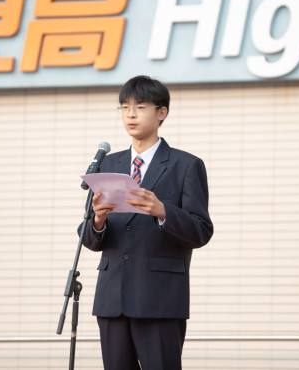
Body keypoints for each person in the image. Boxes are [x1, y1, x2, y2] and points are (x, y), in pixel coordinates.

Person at [80, 75, 214, 369]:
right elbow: (87, 238)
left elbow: (201, 230)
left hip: (160, 299)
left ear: (161, 112)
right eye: (125, 107)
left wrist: (163, 211)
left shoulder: (185, 165)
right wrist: (99, 219)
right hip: (112, 300)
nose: (130, 114)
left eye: (140, 107)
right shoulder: (107, 164)